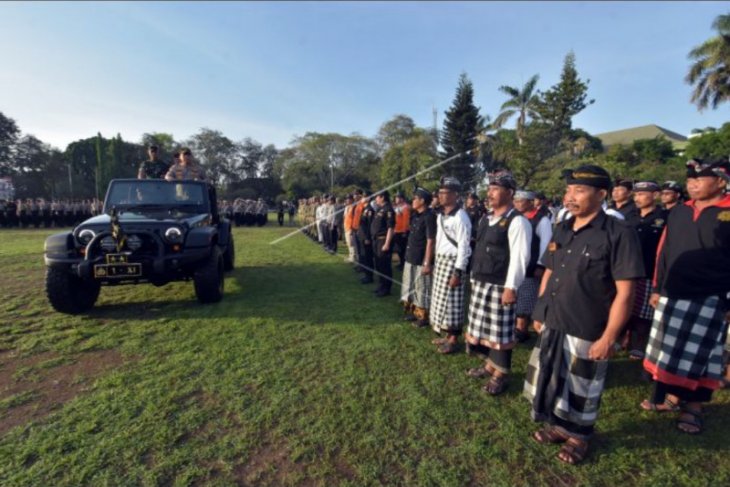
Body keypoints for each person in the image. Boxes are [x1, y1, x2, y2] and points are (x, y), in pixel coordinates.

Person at [524, 164, 644, 465]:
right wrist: (540, 310)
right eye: (568, 190)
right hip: (555, 317)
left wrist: (609, 337)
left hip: (588, 324)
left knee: (583, 385)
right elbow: (549, 270)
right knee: (553, 377)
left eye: (579, 190)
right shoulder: (563, 227)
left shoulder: (619, 233)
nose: (570, 197)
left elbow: (626, 293)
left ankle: (580, 435)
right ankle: (559, 425)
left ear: (601, 194)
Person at [642, 158, 730, 434]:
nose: (692, 184)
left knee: (700, 355)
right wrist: (657, 288)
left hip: (711, 296)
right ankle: (671, 398)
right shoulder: (679, 211)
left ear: (721, 182)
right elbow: (664, 251)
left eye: (699, 180)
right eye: (689, 181)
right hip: (672, 292)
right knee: (670, 351)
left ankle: (694, 407)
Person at [465, 173, 531, 395]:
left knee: (501, 333)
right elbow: (480, 249)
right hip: (481, 281)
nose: (489, 193)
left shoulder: (518, 221)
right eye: (489, 188)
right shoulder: (486, 218)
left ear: (510, 193)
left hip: (501, 286)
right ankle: (489, 366)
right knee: (485, 329)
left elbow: (520, 258)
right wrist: (473, 277)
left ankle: (501, 374)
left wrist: (511, 287)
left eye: (495, 188)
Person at [624, 181, 667, 360]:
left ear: (655, 195)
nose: (637, 198)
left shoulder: (665, 217)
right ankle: (622, 338)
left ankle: (638, 345)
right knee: (625, 304)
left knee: (644, 311)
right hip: (627, 269)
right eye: (636, 194)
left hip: (649, 270)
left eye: (642, 194)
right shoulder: (630, 216)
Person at [430, 177, 472, 354]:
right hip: (441, 260)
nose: (441, 196)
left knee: (453, 302)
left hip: (453, 262)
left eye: (445, 193)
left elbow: (464, 245)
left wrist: (458, 271)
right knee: (442, 301)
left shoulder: (461, 216)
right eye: (439, 193)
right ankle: (447, 335)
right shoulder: (441, 215)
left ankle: (454, 339)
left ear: (455, 195)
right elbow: (439, 240)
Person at [512, 189, 552, 343]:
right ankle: (515, 325)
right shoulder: (515, 218)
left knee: (526, 296)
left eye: (520, 201)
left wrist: (540, 265)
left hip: (531, 265)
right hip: (516, 263)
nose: (516, 204)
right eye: (515, 201)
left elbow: (546, 244)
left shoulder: (542, 220)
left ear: (530, 202)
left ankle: (522, 328)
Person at [400, 188, 436, 327]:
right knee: (410, 285)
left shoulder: (429, 216)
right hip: (411, 256)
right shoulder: (416, 216)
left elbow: (430, 241)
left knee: (422, 288)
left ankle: (423, 317)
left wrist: (427, 262)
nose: (413, 201)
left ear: (422, 201)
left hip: (422, 259)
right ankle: (414, 312)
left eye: (415, 198)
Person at [370, 191, 396, 297]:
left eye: (377, 197)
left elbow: (391, 228)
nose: (376, 199)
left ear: (382, 197)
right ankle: (381, 285)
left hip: (383, 240)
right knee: (379, 264)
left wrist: (387, 243)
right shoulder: (380, 209)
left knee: (385, 265)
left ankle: (386, 288)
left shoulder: (388, 209)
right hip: (376, 240)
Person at [357, 193, 376, 284]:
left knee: (368, 257)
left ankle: (369, 276)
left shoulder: (369, 210)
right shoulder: (365, 208)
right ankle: (366, 274)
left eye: (363, 197)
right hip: (362, 236)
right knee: (364, 256)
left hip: (366, 237)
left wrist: (368, 237)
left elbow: (369, 225)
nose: (361, 199)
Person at [393, 192, 411, 270]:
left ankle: (403, 264)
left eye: (397, 197)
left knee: (402, 249)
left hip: (402, 231)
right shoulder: (398, 207)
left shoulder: (405, 207)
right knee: (399, 249)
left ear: (401, 199)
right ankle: (401, 263)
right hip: (397, 230)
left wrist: (404, 231)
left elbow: (406, 220)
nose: (396, 199)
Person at [343, 194, 357, 263]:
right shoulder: (347, 207)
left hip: (350, 228)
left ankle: (353, 258)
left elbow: (354, 219)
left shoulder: (354, 207)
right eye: (346, 199)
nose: (347, 200)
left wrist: (352, 228)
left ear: (352, 199)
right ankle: (350, 256)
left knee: (351, 243)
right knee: (348, 243)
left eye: (348, 199)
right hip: (346, 227)